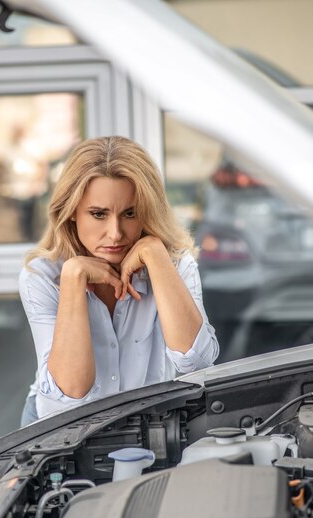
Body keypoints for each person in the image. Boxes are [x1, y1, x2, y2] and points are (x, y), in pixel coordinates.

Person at [19, 136, 218, 425]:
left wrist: (155, 256)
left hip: (150, 425)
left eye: (130, 213)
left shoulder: (174, 263)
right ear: (72, 211)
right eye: (98, 214)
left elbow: (197, 362)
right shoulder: (42, 276)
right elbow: (71, 391)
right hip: (59, 428)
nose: (115, 233)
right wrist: (73, 280)